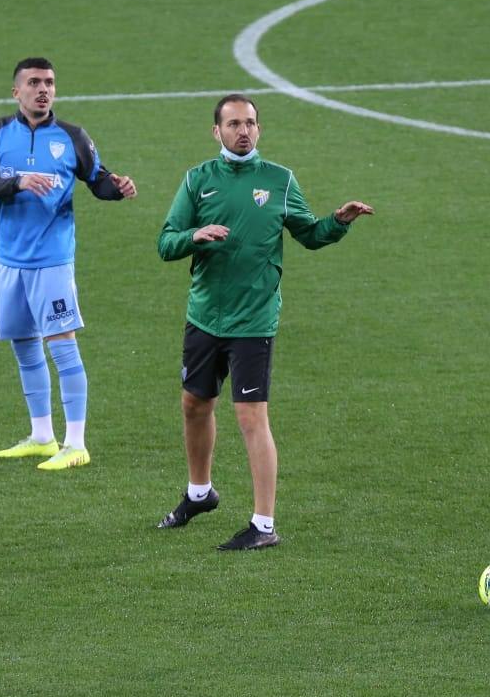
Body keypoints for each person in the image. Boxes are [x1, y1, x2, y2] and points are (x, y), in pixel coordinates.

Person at [156, 94, 373, 550]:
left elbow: (309, 235)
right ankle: (200, 493)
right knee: (194, 405)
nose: (243, 131)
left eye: (251, 123)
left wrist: (336, 221)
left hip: (254, 319)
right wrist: (195, 235)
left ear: (259, 129)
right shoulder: (198, 181)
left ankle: (263, 525)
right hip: (205, 314)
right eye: (234, 124)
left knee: (251, 416)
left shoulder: (279, 180)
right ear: (216, 131)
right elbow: (166, 242)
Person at [0, 57, 137, 471]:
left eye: (49, 82)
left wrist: (117, 187)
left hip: (53, 261)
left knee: (62, 348)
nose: (43, 89)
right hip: (10, 260)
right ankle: (42, 436)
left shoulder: (72, 136)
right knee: (24, 346)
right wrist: (19, 182)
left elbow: (97, 179)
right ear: (17, 91)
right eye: (33, 82)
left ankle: (75, 443)